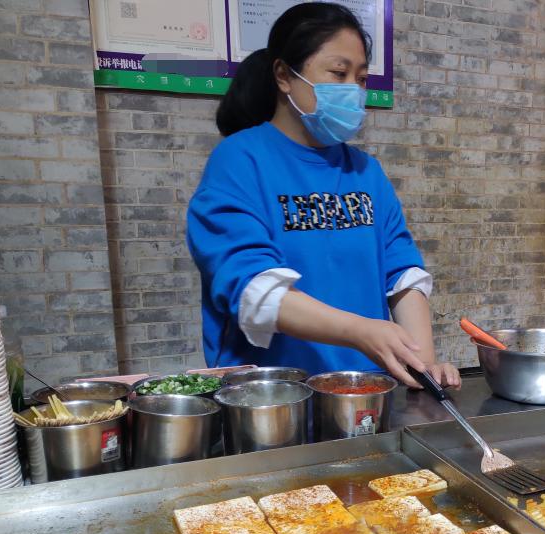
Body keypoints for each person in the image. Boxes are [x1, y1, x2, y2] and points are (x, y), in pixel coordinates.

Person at [187, 2, 460, 389]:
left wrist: (422, 362)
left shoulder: (366, 171)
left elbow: (403, 277)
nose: (353, 90)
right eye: (338, 73)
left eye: (362, 78)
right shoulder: (239, 161)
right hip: (275, 397)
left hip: (365, 391)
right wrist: (361, 331)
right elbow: (253, 289)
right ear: (284, 75)